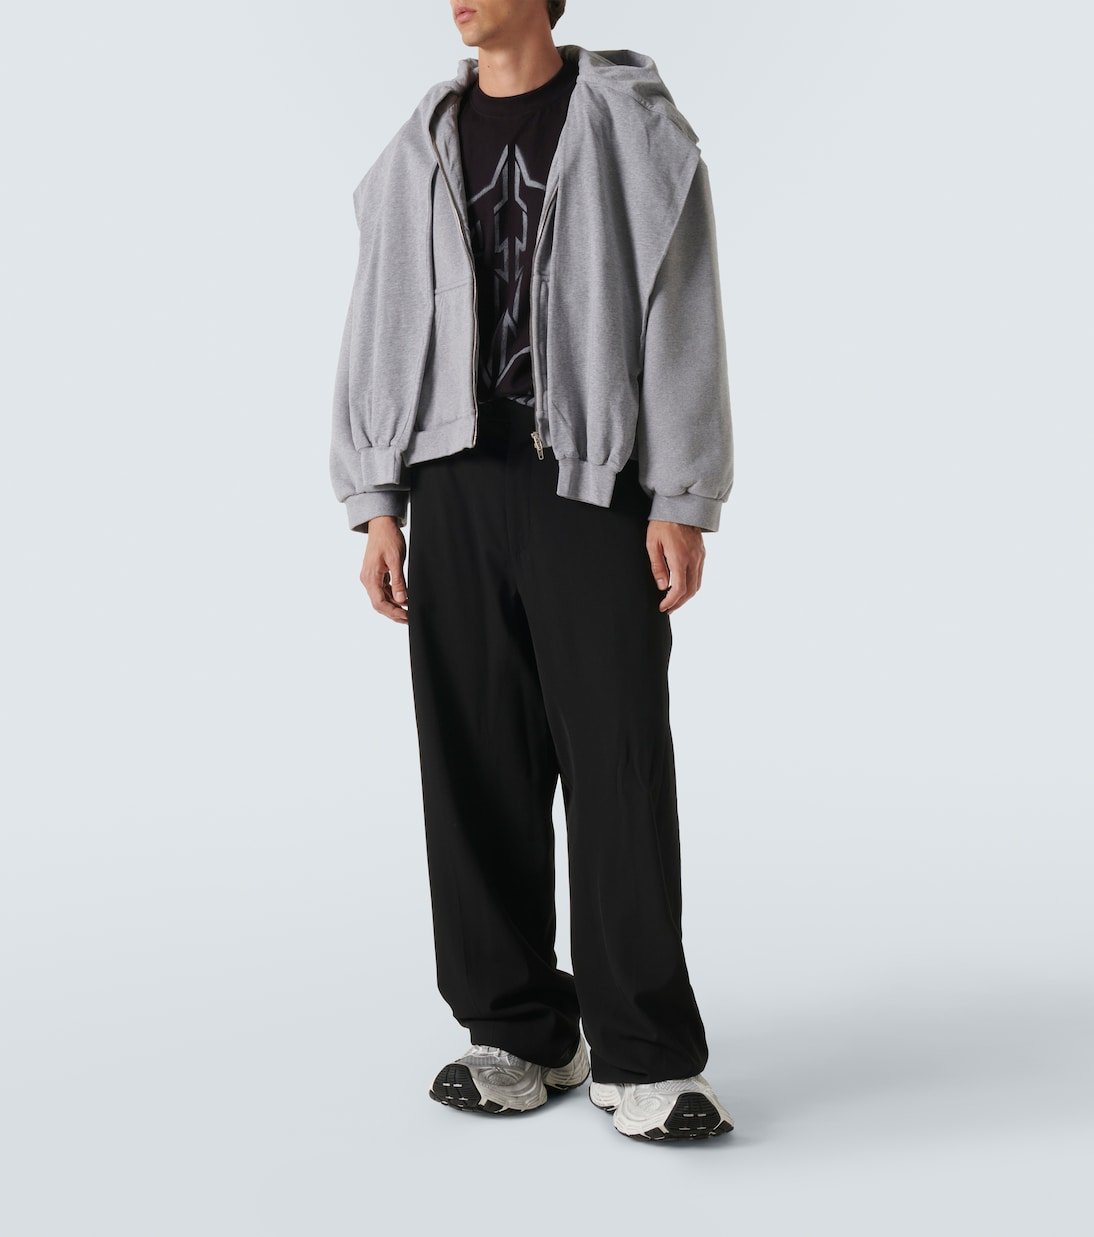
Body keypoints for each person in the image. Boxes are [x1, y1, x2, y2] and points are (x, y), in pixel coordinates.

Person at [329, 0, 735, 1142]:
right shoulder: (418, 145)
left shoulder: (634, 129)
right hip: (452, 480)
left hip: (590, 485)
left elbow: (683, 305)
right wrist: (376, 502)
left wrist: (681, 493)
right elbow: (376, 316)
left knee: (615, 759)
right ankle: (516, 1030)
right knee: (473, 761)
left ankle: (645, 1053)